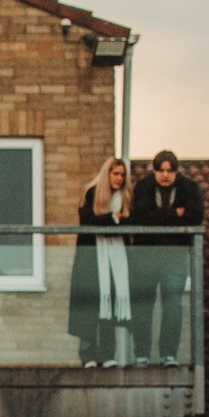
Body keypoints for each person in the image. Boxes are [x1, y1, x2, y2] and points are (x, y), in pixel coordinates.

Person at [127, 150, 203, 367]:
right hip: (145, 255)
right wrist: (175, 214)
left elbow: (196, 215)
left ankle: (168, 355)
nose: (165, 175)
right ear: (154, 170)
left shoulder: (189, 187)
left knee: (172, 305)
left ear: (177, 171)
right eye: (161, 170)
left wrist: (158, 216)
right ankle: (141, 354)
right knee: (143, 305)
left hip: (175, 254)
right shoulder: (144, 187)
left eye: (170, 170)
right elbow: (140, 216)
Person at [71, 156, 133, 366]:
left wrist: (118, 218)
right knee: (91, 303)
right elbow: (88, 221)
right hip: (93, 256)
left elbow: (130, 222)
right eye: (115, 173)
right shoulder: (91, 192)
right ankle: (87, 354)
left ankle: (108, 354)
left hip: (117, 258)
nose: (119, 178)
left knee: (111, 301)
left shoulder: (124, 197)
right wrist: (113, 218)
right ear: (107, 174)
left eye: (122, 175)